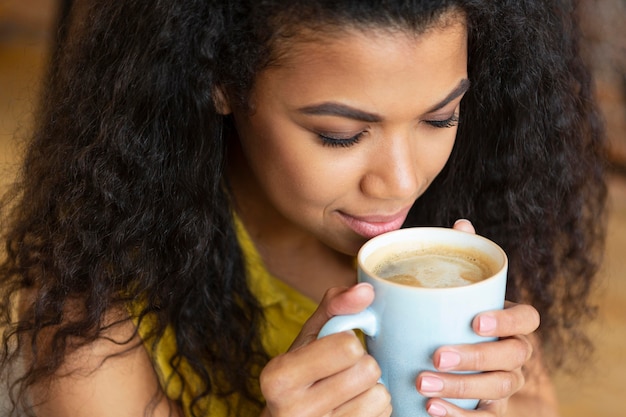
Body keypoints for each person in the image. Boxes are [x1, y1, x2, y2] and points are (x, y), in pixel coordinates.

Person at [0, 0, 607, 416]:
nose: (400, 184)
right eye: (340, 134)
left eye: (440, 117)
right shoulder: (93, 317)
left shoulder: (456, 243)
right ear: (219, 82)